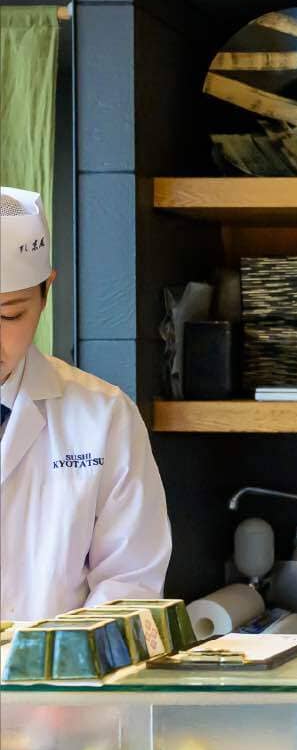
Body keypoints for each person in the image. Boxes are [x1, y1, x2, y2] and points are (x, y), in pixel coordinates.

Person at [0, 186, 172, 620]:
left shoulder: (102, 417)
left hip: (55, 683)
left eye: (9, 315)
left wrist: (59, 663)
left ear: (46, 293)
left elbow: (130, 584)